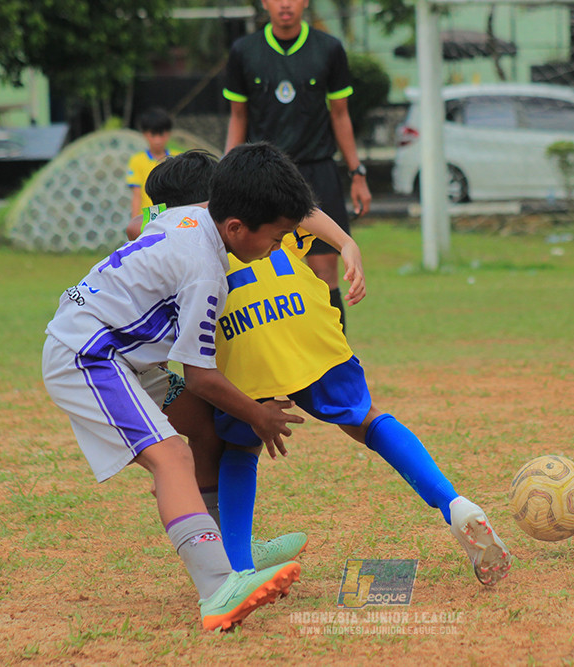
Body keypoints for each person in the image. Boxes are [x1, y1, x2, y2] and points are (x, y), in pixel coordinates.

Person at [133, 165, 512, 588]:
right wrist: (347, 243)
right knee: (366, 419)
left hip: (243, 339)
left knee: (240, 447)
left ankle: (238, 568)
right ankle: (455, 504)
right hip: (305, 321)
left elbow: (136, 228)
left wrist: (158, 213)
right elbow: (304, 211)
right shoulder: (259, 214)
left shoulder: (178, 233)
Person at [42, 143, 333, 633]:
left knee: (205, 428)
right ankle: (218, 588)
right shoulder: (204, 270)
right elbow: (201, 376)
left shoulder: (199, 214)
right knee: (171, 456)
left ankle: (226, 548)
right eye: (277, 236)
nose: (280, 245)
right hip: (88, 353)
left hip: (122, 350)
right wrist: (258, 415)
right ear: (236, 227)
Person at [223, 0, 372, 329]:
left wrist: (357, 173)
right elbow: (238, 117)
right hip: (265, 176)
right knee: (265, 271)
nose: (285, 4)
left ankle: (334, 360)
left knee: (326, 273)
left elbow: (340, 114)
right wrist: (225, 173)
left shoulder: (329, 48)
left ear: (305, 2)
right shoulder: (244, 51)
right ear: (265, 3)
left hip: (317, 171)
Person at [126, 107, 173, 219]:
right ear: (145, 134)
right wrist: (134, 221)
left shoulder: (177, 159)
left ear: (168, 134)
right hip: (148, 217)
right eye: (153, 135)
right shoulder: (137, 160)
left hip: (171, 215)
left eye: (161, 134)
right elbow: (136, 195)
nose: (157, 140)